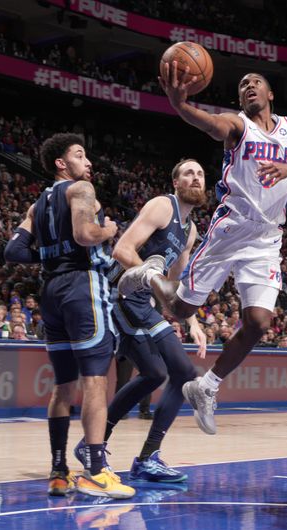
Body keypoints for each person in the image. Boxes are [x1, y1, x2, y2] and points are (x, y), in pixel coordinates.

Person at [119, 70, 287, 435]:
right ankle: (149, 273)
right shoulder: (238, 126)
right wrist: (181, 105)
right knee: (179, 309)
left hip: (267, 238)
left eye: (255, 82)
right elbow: (211, 124)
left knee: (259, 322)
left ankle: (207, 386)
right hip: (230, 230)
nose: (248, 87)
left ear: (270, 91)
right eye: (242, 84)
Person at [3, 132, 133, 499]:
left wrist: (48, 255)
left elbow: (13, 250)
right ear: (62, 164)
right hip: (81, 286)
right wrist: (108, 229)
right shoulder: (81, 191)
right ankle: (96, 470)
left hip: (51, 292)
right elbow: (85, 234)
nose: (88, 162)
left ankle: (59, 470)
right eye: (80, 154)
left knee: (63, 385)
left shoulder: (37, 205)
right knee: (94, 379)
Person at [73, 159, 208, 483]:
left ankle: (95, 443)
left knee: (154, 374)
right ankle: (146, 457)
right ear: (175, 182)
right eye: (188, 172)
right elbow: (122, 249)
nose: (196, 178)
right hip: (121, 293)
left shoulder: (189, 231)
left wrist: (192, 322)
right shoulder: (163, 206)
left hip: (142, 302)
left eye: (201, 174)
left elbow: (176, 286)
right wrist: (152, 282)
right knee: (185, 373)